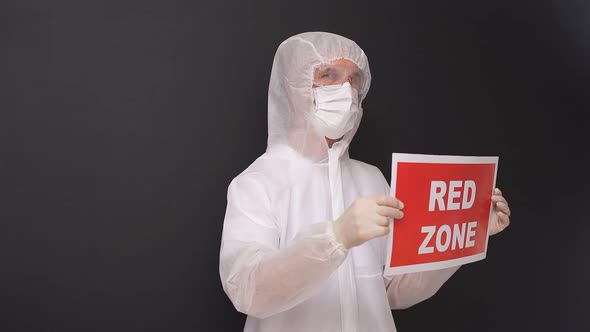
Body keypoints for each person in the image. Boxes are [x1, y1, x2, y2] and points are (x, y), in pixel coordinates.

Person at [219, 31, 511, 332]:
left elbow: (395, 289)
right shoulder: (259, 182)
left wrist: (466, 232)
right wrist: (335, 238)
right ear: (294, 85)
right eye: (328, 74)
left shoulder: (369, 178)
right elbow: (248, 290)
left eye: (354, 78)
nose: (345, 89)